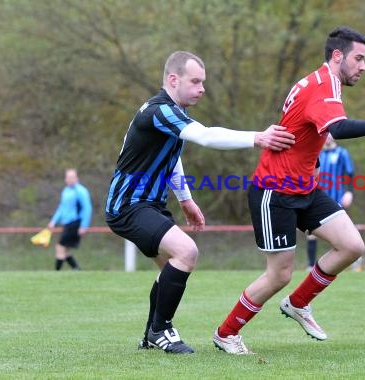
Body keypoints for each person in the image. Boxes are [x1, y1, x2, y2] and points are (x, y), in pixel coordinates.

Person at [212, 26, 365, 354]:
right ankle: (226, 333)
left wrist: (310, 162)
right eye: (359, 58)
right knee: (279, 274)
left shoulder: (324, 83)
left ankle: (298, 303)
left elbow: (309, 132)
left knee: (352, 245)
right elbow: (338, 128)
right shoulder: (324, 85)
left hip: (303, 187)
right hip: (274, 190)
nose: (363, 66)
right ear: (337, 56)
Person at [104, 51, 295, 354]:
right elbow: (206, 137)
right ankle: (161, 329)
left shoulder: (170, 114)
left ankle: (150, 336)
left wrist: (186, 199)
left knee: (169, 266)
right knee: (186, 252)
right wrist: (258, 137)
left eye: (203, 82)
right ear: (173, 80)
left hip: (148, 204)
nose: (202, 88)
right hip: (128, 205)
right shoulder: (160, 111)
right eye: (195, 81)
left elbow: (172, 156)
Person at [306, 134, 356, 272]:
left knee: (343, 231)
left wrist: (349, 192)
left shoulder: (342, 153)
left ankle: (353, 262)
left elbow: (350, 174)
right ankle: (310, 265)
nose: (327, 137)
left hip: (337, 198)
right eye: (325, 134)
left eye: (330, 135)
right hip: (317, 198)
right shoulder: (317, 153)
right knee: (311, 233)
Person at [48, 168, 92, 271]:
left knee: (60, 247)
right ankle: (76, 269)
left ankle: (56, 272)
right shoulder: (66, 191)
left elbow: (87, 208)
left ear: (77, 178)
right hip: (67, 223)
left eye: (72, 177)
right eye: (68, 177)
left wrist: (84, 226)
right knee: (65, 250)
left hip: (75, 223)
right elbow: (61, 207)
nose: (70, 179)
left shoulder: (81, 191)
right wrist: (53, 221)